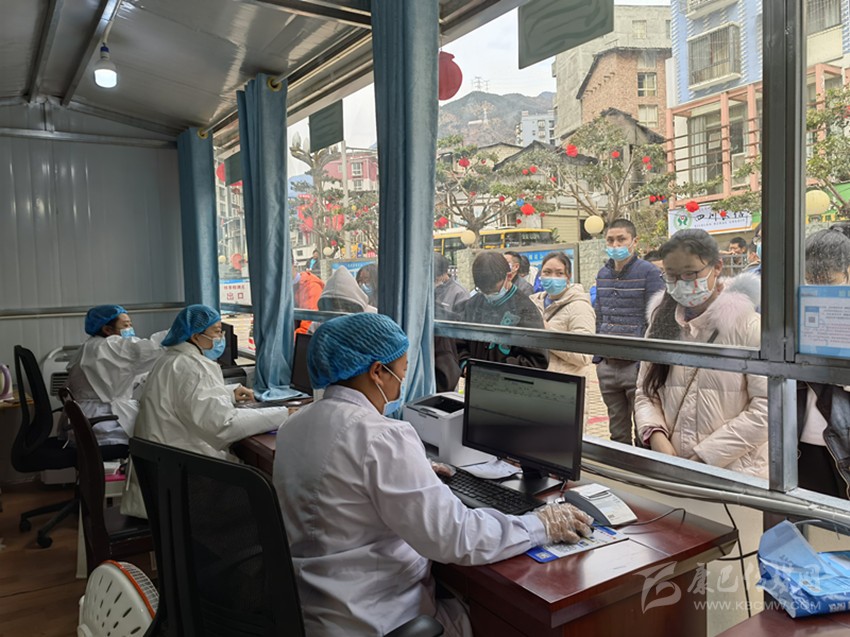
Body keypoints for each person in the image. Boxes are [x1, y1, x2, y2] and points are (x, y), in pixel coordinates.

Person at [273, 313, 593, 636]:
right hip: (377, 619)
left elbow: (340, 480)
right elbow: (456, 538)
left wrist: (413, 468)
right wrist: (541, 525)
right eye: (401, 371)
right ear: (377, 372)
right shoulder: (382, 438)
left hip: (308, 610)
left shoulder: (293, 426)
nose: (402, 381)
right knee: (497, 617)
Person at [121, 304, 288, 518]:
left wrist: (229, 393)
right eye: (217, 332)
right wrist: (283, 415)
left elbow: (182, 399)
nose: (220, 338)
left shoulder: (171, 360)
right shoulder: (193, 366)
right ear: (195, 336)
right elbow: (224, 426)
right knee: (267, 489)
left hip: (160, 479)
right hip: (182, 486)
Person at [634, 229, 767, 478]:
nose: (681, 283)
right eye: (671, 276)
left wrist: (705, 456)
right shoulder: (661, 322)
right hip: (673, 467)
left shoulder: (748, 326)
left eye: (690, 273)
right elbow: (645, 390)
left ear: (717, 267)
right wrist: (656, 436)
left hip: (736, 473)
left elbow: (767, 409)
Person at [594, 219, 665, 446]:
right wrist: (598, 358)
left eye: (621, 239)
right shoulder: (602, 275)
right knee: (617, 432)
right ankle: (619, 467)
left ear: (634, 241)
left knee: (643, 431)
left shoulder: (649, 273)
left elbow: (656, 319)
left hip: (637, 365)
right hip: (608, 365)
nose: (615, 245)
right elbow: (600, 314)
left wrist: (648, 362)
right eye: (610, 240)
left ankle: (642, 469)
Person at [62, 305, 166, 449]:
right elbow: (144, 350)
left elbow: (128, 372)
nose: (130, 329)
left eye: (130, 324)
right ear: (107, 330)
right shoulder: (108, 346)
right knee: (156, 436)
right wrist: (175, 336)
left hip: (87, 418)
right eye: (126, 325)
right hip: (103, 424)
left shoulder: (91, 345)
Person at [797, 228, 850, 498]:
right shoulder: (796, 308)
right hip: (802, 440)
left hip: (843, 440)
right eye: (811, 281)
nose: (819, 290)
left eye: (828, 281)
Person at [456, 252, 548, 369]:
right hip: (474, 376)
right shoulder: (473, 304)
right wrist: (465, 364)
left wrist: (498, 370)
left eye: (493, 290)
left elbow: (536, 360)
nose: (488, 294)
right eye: (483, 290)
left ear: (508, 276)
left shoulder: (526, 310)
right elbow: (459, 342)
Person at [529, 252, 595, 377]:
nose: (552, 277)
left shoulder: (580, 307)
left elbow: (584, 356)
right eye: (547, 272)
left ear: (568, 276)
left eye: (559, 273)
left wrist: (547, 333)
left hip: (564, 382)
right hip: (536, 378)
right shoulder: (533, 303)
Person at [434, 253, 469, 392]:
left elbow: (461, 328)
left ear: (443, 274)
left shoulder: (459, 294)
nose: (434, 281)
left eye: (436, 278)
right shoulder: (430, 291)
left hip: (449, 352)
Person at [293, 259, 324, 335]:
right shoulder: (285, 288)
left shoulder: (311, 287)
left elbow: (308, 327)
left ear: (293, 265)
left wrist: (283, 339)